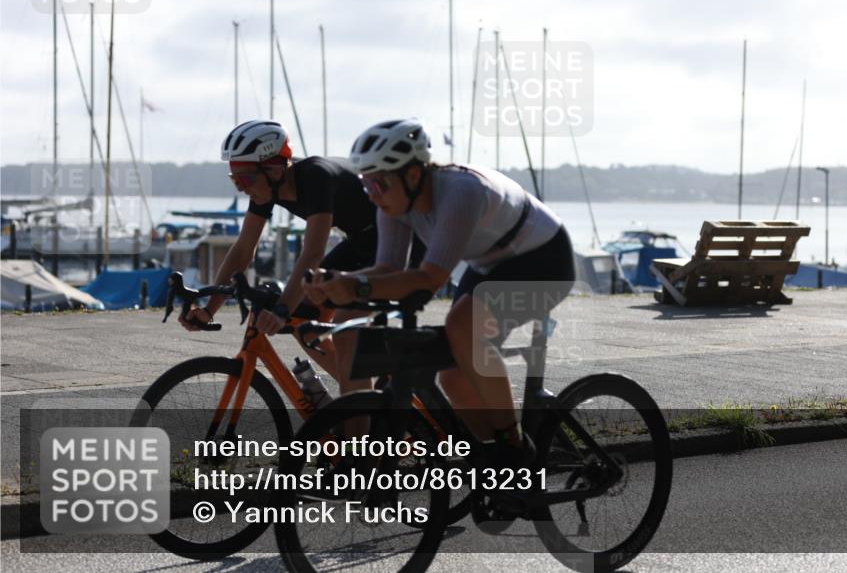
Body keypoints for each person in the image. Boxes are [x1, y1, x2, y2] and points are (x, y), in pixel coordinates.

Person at [303, 118, 575, 463]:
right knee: (453, 375)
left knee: (462, 328)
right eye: (366, 184)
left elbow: (429, 278)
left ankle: (515, 446)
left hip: (544, 259)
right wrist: (334, 281)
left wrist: (356, 285)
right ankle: (488, 460)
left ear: (413, 175)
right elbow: (389, 269)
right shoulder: (393, 203)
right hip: (490, 264)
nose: (372, 194)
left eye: (380, 184)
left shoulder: (461, 191)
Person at [178, 119, 380, 396]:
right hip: (361, 243)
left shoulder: (316, 177)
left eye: (245, 178)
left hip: (398, 243)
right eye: (234, 179)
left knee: (344, 325)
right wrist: (209, 309)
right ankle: (362, 402)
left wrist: (282, 309)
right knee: (306, 326)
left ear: (274, 168)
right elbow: (243, 249)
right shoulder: (265, 187)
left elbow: (313, 253)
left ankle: (366, 420)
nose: (240, 187)